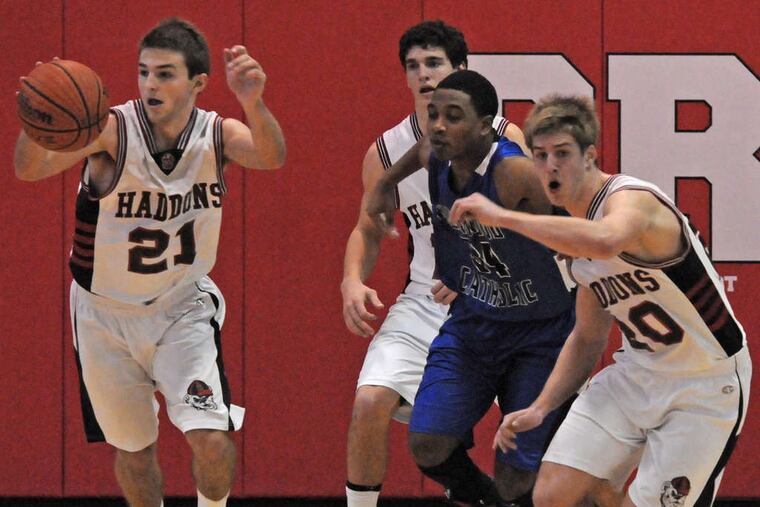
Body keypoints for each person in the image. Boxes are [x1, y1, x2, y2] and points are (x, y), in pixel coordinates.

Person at [14, 18, 285, 507]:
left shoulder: (216, 134)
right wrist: (40, 117)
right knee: (135, 452)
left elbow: (270, 156)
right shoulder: (110, 131)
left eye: (165, 74)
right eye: (144, 72)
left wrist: (252, 101)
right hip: (103, 315)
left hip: (182, 307)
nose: (150, 84)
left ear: (199, 83)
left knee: (211, 437)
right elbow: (28, 169)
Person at [450, 94, 752, 507]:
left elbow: (608, 241)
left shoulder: (631, 200)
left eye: (563, 153)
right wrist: (541, 407)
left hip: (704, 382)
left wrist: (501, 216)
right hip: (637, 373)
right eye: (539, 155)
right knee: (552, 495)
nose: (550, 165)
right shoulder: (574, 236)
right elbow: (589, 337)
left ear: (590, 156)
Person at [367, 70, 577, 506]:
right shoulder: (437, 152)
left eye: (454, 116)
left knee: (516, 476)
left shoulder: (515, 172)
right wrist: (384, 185)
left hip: (540, 332)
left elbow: (572, 227)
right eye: (434, 115)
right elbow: (420, 150)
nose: (439, 125)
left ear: (485, 125)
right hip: (474, 323)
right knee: (427, 443)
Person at [342, 21, 528, 507]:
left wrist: (473, 271)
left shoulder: (504, 139)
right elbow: (367, 227)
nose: (424, 75)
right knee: (369, 402)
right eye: (414, 66)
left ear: (461, 71)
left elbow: (530, 228)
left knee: (523, 448)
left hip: (500, 303)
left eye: (435, 64)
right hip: (426, 299)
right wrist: (351, 280)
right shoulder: (384, 151)